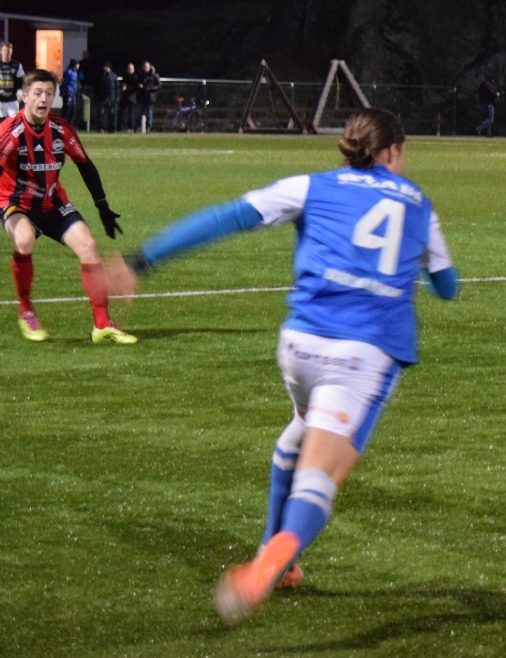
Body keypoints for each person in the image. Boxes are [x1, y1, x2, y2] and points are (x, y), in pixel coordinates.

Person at [103, 108, 459, 625]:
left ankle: (278, 556)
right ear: (394, 152)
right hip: (362, 355)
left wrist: (140, 261)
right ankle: (269, 565)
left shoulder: (310, 186)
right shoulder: (419, 205)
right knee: (320, 477)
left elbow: (227, 217)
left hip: (299, 346)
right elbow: (448, 288)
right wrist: (418, 265)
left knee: (299, 433)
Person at [1, 69, 134, 343]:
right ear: (24, 97)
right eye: (38, 93)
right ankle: (26, 311)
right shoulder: (10, 132)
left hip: (53, 203)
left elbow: (86, 166)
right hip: (16, 202)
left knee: (89, 246)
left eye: (49, 94)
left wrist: (102, 207)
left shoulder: (61, 130)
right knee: (24, 238)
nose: (43, 99)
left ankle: (102, 323)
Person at [0, 42, 24, 119]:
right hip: (0, 100)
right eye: (5, 50)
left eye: (9, 51)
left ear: (12, 52)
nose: (7, 53)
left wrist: (20, 92)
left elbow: (20, 81)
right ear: (1, 51)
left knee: (14, 121)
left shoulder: (17, 65)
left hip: (12, 100)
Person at [96, 62, 119, 132]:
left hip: (111, 97)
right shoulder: (101, 76)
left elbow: (116, 87)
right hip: (103, 97)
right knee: (101, 113)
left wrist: (117, 97)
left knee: (111, 113)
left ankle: (111, 128)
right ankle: (100, 127)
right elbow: (98, 87)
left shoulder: (114, 76)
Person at [139, 61, 160, 133]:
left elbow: (159, 85)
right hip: (142, 97)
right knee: (139, 113)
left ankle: (148, 128)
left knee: (149, 113)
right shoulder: (141, 75)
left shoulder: (154, 75)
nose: (145, 68)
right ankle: (138, 128)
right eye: (144, 67)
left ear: (149, 67)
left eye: (146, 67)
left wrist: (150, 88)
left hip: (150, 97)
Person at [119, 62, 138, 132]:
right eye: (128, 68)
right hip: (124, 97)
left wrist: (127, 88)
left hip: (131, 98)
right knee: (120, 112)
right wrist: (122, 87)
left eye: (131, 68)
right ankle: (119, 127)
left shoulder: (135, 77)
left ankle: (130, 128)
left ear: (133, 69)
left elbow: (135, 88)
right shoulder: (124, 76)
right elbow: (121, 84)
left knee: (131, 113)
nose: (129, 70)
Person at [60, 59, 80, 126]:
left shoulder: (75, 73)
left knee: (72, 110)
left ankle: (70, 125)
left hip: (73, 93)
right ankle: (63, 124)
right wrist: (62, 91)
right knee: (67, 109)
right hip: (68, 93)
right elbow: (64, 82)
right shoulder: (68, 72)